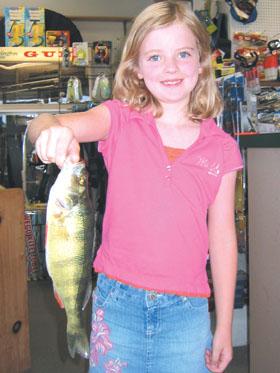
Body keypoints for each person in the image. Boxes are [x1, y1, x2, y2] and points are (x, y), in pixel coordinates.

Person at [28, 1, 243, 372]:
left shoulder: (222, 148)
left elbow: (222, 236)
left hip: (187, 312)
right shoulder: (119, 118)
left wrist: (224, 326)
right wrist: (50, 133)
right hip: (116, 303)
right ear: (137, 69)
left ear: (202, 62)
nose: (171, 67)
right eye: (155, 57)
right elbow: (41, 123)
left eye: (183, 54)